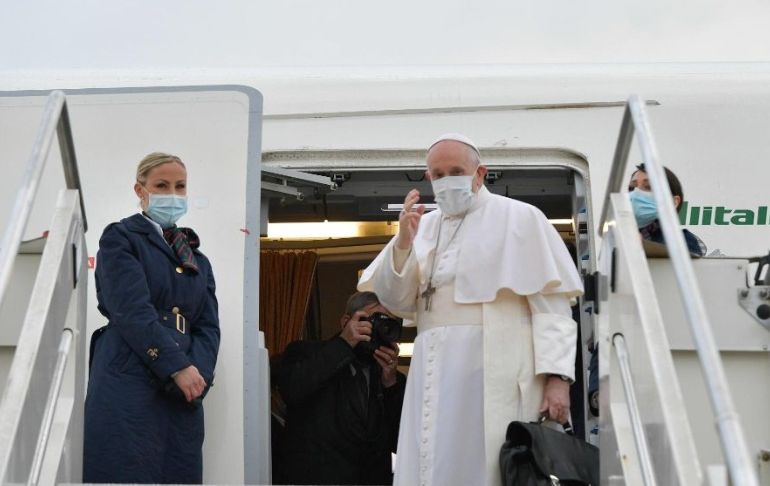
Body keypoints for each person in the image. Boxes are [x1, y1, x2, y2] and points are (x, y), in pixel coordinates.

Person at [358, 134, 583, 486]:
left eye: (456, 170)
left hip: (496, 368)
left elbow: (552, 310)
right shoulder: (421, 225)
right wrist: (402, 243)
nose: (447, 179)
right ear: (428, 177)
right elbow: (396, 301)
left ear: (480, 174)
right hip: (432, 369)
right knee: (430, 461)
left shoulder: (521, 219)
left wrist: (557, 380)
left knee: (488, 467)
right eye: (438, 173)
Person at [83, 152, 220, 484]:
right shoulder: (121, 238)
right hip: (128, 374)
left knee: (178, 472)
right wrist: (177, 366)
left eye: (180, 186)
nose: (172, 194)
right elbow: (130, 309)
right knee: (126, 470)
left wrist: (196, 375)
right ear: (140, 190)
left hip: (183, 390)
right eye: (162, 185)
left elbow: (207, 327)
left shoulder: (196, 257)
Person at [272, 291, 406, 485]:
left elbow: (403, 441)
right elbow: (292, 389)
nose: (378, 329)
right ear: (346, 321)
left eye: (387, 324)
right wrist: (344, 343)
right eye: (374, 319)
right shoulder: (305, 352)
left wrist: (391, 384)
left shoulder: (390, 378)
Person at [628, 163, 707, 256]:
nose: (636, 193)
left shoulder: (682, 241)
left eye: (648, 187)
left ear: (673, 202)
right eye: (632, 188)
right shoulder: (618, 238)